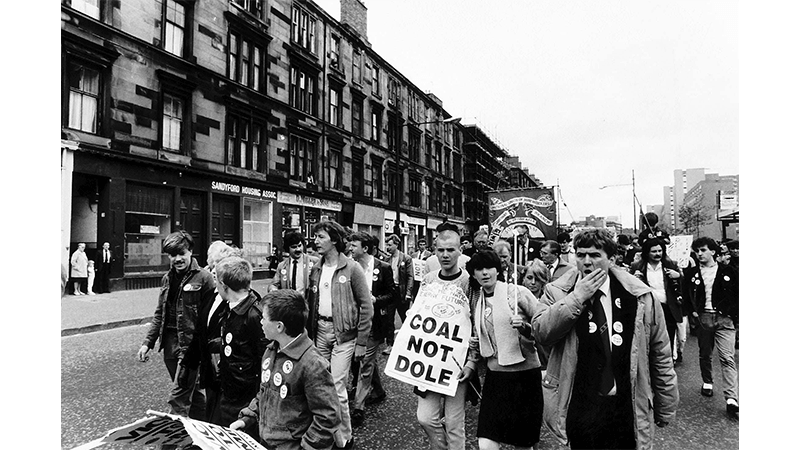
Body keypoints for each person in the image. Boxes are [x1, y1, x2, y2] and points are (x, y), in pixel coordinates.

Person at [532, 228, 678, 449]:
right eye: (581, 255)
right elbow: (541, 332)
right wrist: (577, 298)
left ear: (612, 259)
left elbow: (660, 353)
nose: (587, 262)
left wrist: (665, 403)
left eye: (595, 255)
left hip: (624, 405)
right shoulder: (558, 291)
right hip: (579, 405)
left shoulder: (639, 295)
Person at [231, 289, 341, 450]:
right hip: (268, 443)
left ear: (279, 326)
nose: (260, 321)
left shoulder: (312, 364)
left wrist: (308, 446)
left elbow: (328, 416)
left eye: (264, 318)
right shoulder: (271, 350)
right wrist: (246, 419)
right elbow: (265, 392)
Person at [466, 250, 544, 450]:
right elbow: (476, 337)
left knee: (523, 442)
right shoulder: (477, 300)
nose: (485, 273)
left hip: (525, 375)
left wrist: (525, 327)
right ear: (473, 274)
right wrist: (471, 364)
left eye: (489, 268)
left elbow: (545, 326)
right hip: (496, 376)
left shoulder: (517, 292)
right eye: (479, 269)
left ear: (497, 270)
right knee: (486, 441)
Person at [306, 220, 373, 450]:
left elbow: (366, 306)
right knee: (321, 386)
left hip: (344, 335)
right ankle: (329, 435)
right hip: (320, 333)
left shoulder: (352, 268)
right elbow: (310, 302)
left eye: (320, 236)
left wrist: (361, 342)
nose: (315, 241)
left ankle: (345, 439)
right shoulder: (316, 268)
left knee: (337, 386)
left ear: (334, 239)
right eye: (315, 236)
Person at [137, 230, 215, 419]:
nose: (177, 259)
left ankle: (167, 444)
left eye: (182, 253)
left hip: (191, 347)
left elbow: (211, 317)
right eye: (173, 255)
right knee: (192, 395)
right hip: (170, 345)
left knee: (178, 399)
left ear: (191, 252)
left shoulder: (204, 278)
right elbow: (159, 314)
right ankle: (208, 434)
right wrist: (147, 342)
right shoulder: (167, 278)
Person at [415, 227, 476, 450]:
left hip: (457, 363)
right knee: (425, 417)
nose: (445, 255)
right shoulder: (429, 279)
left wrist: (471, 360)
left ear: (460, 251)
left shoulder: (470, 282)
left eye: (451, 249)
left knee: (454, 423)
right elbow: (418, 316)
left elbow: (475, 324)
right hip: (430, 360)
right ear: (435, 252)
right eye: (440, 250)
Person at [181, 241, 239, 423]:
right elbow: (200, 333)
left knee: (224, 420)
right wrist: (187, 366)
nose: (213, 271)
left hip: (231, 378)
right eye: (213, 266)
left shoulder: (240, 300)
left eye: (219, 267)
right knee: (212, 414)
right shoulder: (211, 295)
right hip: (211, 373)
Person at [682, 236, 739, 419]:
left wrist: (732, 314)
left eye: (703, 250)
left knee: (727, 358)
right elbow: (686, 294)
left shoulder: (728, 270)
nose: (699, 254)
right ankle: (707, 381)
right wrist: (693, 313)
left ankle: (731, 398)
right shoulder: (691, 273)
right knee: (705, 353)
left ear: (713, 252)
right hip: (703, 317)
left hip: (724, 319)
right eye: (697, 251)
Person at [211, 255, 270, 433]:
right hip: (230, 388)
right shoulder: (231, 306)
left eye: (217, 283)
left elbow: (264, 357)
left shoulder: (254, 315)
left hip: (245, 393)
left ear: (224, 286)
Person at [348, 232, 394, 427]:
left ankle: (358, 407)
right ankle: (379, 390)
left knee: (365, 362)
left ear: (365, 248)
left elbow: (392, 294)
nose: (349, 248)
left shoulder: (383, 268)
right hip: (353, 324)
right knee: (364, 360)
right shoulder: (349, 267)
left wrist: (376, 300)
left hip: (374, 324)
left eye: (353, 245)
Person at [629, 238, 684, 356]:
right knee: (648, 338)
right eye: (654, 251)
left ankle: (668, 364)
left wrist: (678, 276)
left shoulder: (671, 265)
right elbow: (629, 286)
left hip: (668, 307)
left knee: (668, 337)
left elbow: (684, 286)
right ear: (647, 252)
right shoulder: (637, 266)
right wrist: (634, 279)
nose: (657, 254)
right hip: (648, 307)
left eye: (660, 251)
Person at [381, 233, 415, 355]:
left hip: (402, 292)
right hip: (390, 292)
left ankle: (408, 343)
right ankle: (390, 344)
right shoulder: (386, 259)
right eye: (386, 245)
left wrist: (408, 293)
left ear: (396, 244)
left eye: (390, 245)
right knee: (389, 320)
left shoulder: (406, 258)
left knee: (405, 318)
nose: (387, 247)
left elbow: (411, 276)